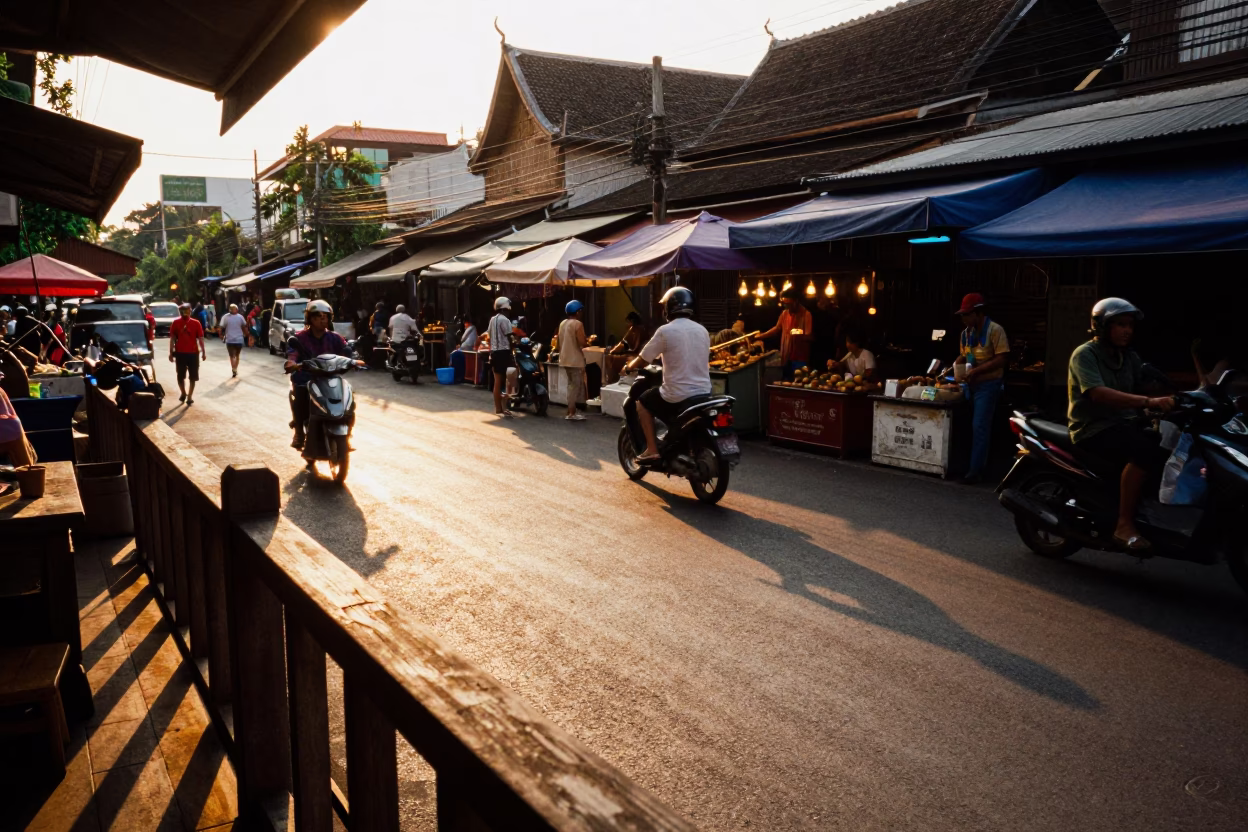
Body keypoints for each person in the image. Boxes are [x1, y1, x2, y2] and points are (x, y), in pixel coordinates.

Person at [1068, 298, 1174, 550]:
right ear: (1101, 327)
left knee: (1162, 449)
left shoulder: (1129, 357)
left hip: (1122, 424)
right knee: (1145, 452)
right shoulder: (1085, 354)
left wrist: (1181, 396)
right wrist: (1149, 401)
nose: (1127, 330)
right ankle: (1123, 524)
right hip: (1092, 428)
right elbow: (1098, 393)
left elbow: (1146, 384)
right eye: (1120, 325)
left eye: (1129, 325)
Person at [624, 287, 711, 462]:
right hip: (704, 393)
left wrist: (628, 367)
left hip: (677, 394)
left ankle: (652, 449)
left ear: (668, 308)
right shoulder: (702, 330)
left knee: (642, 401)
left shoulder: (665, 331)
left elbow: (643, 359)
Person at [953, 293, 1010, 485]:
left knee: (979, 427)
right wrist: (954, 365)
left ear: (978, 313)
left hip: (988, 385)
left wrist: (977, 371)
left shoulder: (996, 330)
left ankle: (975, 472)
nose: (964, 319)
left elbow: (1002, 358)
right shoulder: (965, 334)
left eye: (967, 314)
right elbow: (963, 355)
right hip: (969, 385)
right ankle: (962, 466)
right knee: (965, 425)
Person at [284, 299, 352, 450]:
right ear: (310, 319)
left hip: (330, 378)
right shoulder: (300, 338)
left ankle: (346, 436)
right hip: (305, 379)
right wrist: (292, 363)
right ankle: (299, 433)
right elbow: (292, 353)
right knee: (300, 398)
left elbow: (345, 351)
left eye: (325, 316)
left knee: (349, 401)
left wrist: (353, 361)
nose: (322, 320)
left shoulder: (335, 337)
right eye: (318, 316)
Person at [759, 287, 813, 379]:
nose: (786, 307)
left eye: (789, 304)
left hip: (800, 358)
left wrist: (798, 333)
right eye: (784, 304)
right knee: (785, 381)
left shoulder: (806, 314)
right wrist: (760, 336)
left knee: (799, 382)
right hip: (786, 356)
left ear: (796, 301)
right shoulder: (784, 313)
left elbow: (809, 336)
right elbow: (776, 328)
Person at [169, 302, 206, 405]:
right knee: (180, 376)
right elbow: (172, 339)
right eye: (183, 311)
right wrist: (171, 352)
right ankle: (183, 393)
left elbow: (201, 338)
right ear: (180, 312)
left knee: (193, 376)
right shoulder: (175, 323)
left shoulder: (196, 323)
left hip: (193, 353)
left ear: (190, 311)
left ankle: (189, 396)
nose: (185, 313)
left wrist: (203, 352)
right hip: (180, 353)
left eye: (187, 311)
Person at [558, 300, 589, 421]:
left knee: (570, 385)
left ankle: (570, 410)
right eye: (581, 311)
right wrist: (588, 341)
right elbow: (582, 342)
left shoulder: (563, 323)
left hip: (564, 358)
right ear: (578, 311)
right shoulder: (577, 324)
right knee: (574, 386)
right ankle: (572, 413)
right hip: (575, 359)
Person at [488, 297, 515, 418]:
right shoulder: (505, 320)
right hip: (504, 352)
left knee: (497, 381)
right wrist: (514, 347)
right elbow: (510, 337)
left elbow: (489, 334)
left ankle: (498, 408)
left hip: (494, 352)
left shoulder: (492, 320)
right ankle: (505, 407)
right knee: (510, 379)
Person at [606, 311, 645, 384]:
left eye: (627, 322)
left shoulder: (634, 329)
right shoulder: (642, 329)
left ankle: (611, 381)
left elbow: (622, 344)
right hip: (639, 356)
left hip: (635, 356)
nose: (626, 324)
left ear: (632, 321)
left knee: (608, 357)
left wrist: (612, 351)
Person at [220, 303, 248, 377]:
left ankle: (234, 369)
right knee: (237, 355)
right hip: (239, 339)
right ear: (237, 309)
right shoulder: (240, 317)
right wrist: (247, 335)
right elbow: (244, 327)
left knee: (232, 356)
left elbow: (221, 327)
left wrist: (220, 335)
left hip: (230, 340)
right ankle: (235, 368)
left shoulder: (225, 317)